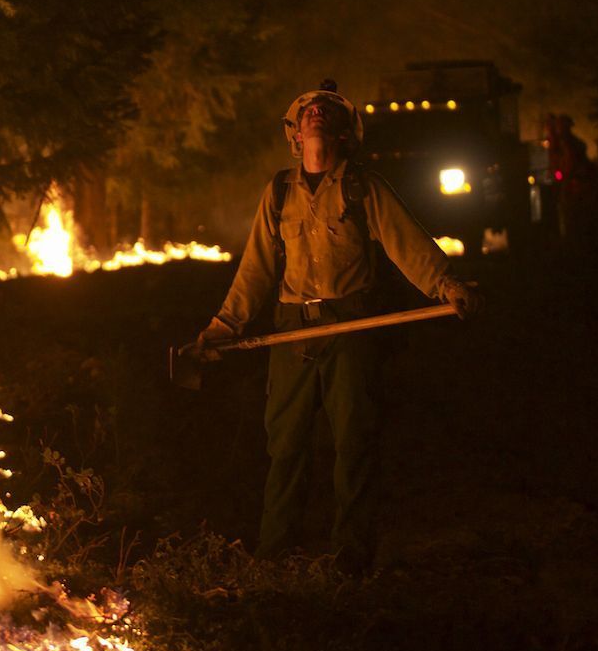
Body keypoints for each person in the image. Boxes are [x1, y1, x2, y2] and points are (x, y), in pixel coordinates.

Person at [200, 80, 479, 576]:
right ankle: (274, 554)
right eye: (307, 109)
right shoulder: (279, 191)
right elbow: (257, 268)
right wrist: (225, 325)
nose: (316, 114)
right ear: (294, 131)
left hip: (352, 325)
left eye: (326, 110)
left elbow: (405, 243)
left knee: (354, 442)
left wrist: (445, 284)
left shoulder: (362, 186)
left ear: (346, 131)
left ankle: (351, 559)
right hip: (293, 332)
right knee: (285, 444)